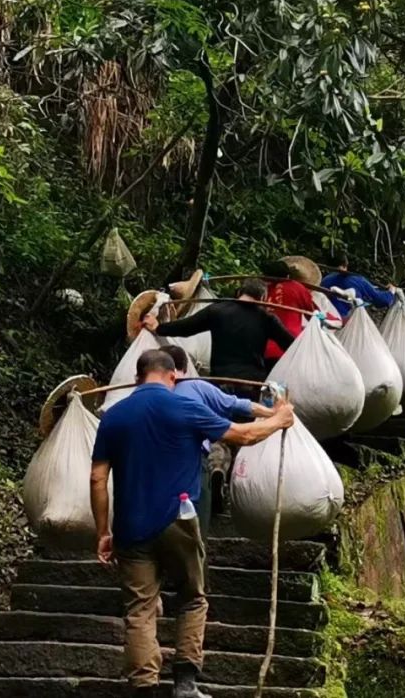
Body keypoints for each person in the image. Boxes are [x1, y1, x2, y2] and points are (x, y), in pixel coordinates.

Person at [90, 349, 294, 698]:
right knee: (192, 598)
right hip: (179, 521)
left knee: (139, 610)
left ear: (138, 378)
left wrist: (103, 531)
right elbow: (242, 435)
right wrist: (279, 419)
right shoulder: (184, 406)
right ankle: (184, 684)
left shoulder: (114, 416)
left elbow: (97, 478)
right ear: (173, 377)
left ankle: (144, 687)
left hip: (131, 527)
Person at [157, 345, 275, 538]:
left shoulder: (143, 397)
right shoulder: (195, 387)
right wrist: (273, 414)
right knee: (195, 532)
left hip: (154, 466)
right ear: (185, 369)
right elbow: (239, 407)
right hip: (194, 465)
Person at [142, 279, 294, 382]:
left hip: (221, 379)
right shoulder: (267, 318)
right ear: (262, 297)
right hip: (252, 382)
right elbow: (290, 345)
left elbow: (186, 327)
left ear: (239, 292)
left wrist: (158, 327)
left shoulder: (217, 311)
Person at [261, 260, 318, 362]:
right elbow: (313, 315)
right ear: (288, 275)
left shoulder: (262, 290)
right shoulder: (298, 288)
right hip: (290, 346)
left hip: (263, 348)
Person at [321, 253, 396, 320]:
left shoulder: (325, 281)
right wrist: (391, 291)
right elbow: (381, 300)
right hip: (346, 322)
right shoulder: (358, 281)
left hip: (324, 316)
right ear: (345, 265)